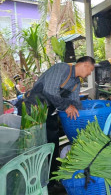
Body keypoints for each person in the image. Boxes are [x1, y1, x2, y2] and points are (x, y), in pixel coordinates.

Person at [16, 56, 95, 190]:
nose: (89, 74)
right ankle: (30, 182)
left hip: (49, 111)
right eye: (90, 70)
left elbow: (75, 102)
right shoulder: (62, 68)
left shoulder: (76, 82)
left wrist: (85, 119)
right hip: (32, 110)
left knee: (52, 143)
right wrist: (66, 106)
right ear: (85, 65)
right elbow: (49, 91)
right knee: (33, 146)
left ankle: (51, 182)